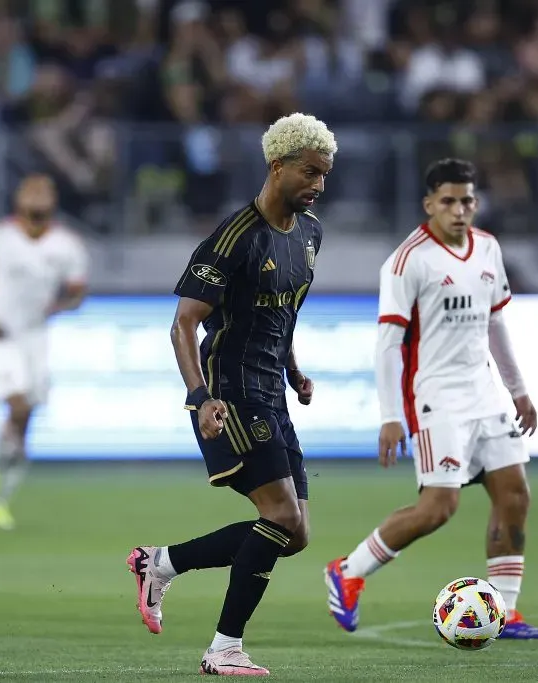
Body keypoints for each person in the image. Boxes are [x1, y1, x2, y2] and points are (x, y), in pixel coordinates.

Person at [126, 113, 336, 676]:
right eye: (310, 173)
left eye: (325, 175)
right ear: (278, 166)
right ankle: (224, 648)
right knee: (282, 517)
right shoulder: (232, 238)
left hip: (273, 390)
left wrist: (293, 369)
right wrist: (199, 398)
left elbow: (284, 312)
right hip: (232, 393)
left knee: (295, 535)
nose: (318, 185)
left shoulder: (310, 233)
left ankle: (161, 563)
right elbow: (183, 323)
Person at [324, 158, 538, 640]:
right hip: (436, 399)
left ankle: (506, 611)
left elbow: (495, 324)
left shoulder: (488, 248)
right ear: (429, 203)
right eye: (448, 201)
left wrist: (518, 389)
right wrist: (390, 416)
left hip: (486, 394)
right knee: (438, 507)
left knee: (515, 494)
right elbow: (388, 343)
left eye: (467, 200)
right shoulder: (408, 261)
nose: (459, 209)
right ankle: (348, 571)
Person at [0, 173, 88, 530]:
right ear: (19, 201)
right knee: (16, 407)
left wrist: (59, 306)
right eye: (31, 194)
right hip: (2, 335)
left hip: (36, 338)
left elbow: (78, 291)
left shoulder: (66, 244)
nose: (36, 200)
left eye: (43, 194)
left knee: (25, 421)